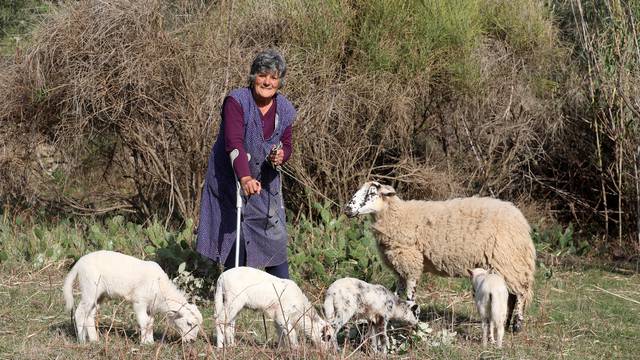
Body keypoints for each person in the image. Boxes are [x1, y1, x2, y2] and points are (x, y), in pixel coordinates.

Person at [196, 49, 295, 279]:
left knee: (274, 238)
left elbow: (287, 144)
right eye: (262, 75)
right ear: (253, 76)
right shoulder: (236, 101)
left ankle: (282, 294)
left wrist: (282, 155)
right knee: (235, 233)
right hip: (231, 180)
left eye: (273, 77)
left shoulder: (286, 110)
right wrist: (245, 178)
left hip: (266, 186)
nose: (267, 81)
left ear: (279, 82)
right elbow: (234, 143)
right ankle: (234, 293)